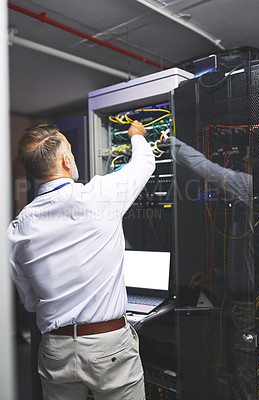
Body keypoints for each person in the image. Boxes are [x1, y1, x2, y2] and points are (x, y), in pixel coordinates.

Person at [8, 121, 155, 400]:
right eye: (71, 153)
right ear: (65, 160)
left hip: (55, 351)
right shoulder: (99, 196)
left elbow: (29, 302)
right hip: (108, 346)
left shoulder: (17, 230)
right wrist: (137, 135)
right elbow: (144, 162)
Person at [171, 136, 256, 400]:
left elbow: (208, 170)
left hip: (248, 306)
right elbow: (250, 260)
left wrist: (170, 142)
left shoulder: (250, 184)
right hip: (240, 301)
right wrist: (215, 275)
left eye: (251, 157)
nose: (244, 160)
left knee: (242, 375)